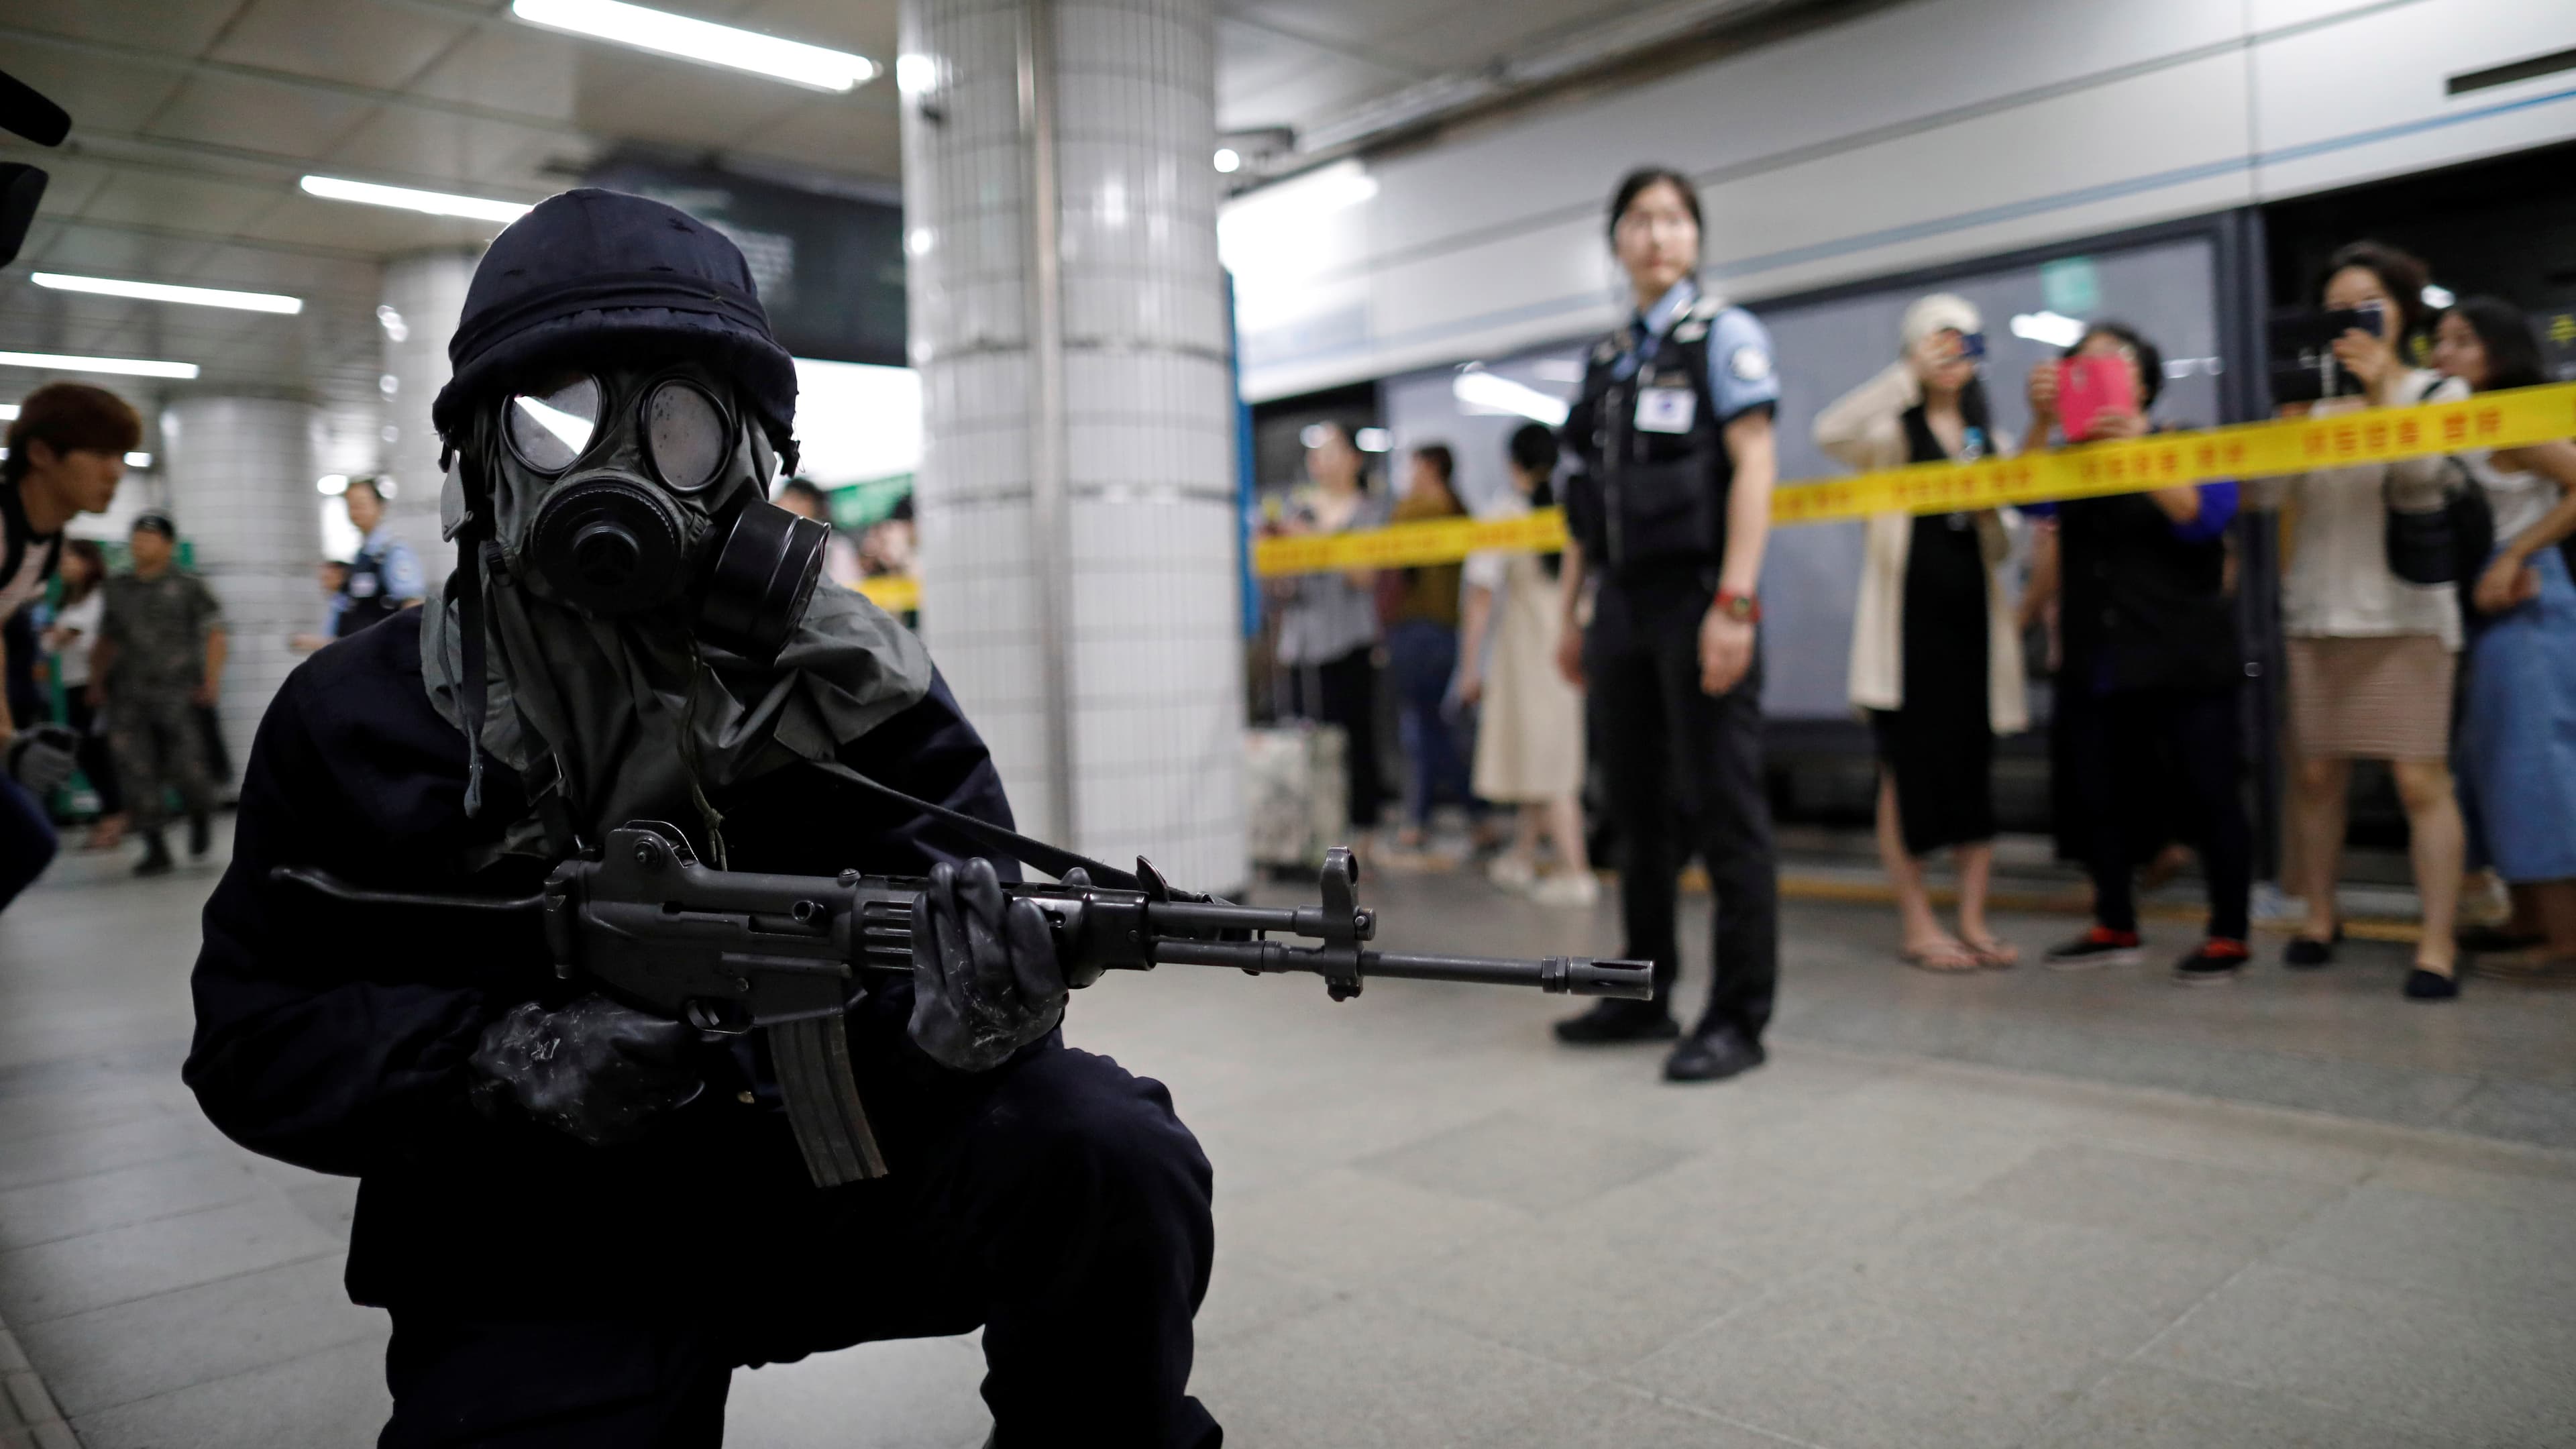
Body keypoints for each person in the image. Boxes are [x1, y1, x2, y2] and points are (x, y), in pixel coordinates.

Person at [180, 190, 1219, 1447]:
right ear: (478, 460)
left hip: (827, 1183)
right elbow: (253, 1035)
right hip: (536, 1235)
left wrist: (957, 1032)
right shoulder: (366, 716)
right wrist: (494, 1064)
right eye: (555, 421)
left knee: (1107, 1148)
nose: (614, 472)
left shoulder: (854, 681)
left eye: (676, 426)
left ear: (751, 461)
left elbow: (966, 931)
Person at [1553, 166, 1782, 1083]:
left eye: (1675, 219)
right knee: (1635, 814)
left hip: (1699, 594)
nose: (1658, 235)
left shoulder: (1723, 336)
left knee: (1726, 813)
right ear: (1617, 242)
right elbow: (1580, 503)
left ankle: (1739, 1018)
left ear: (1694, 238)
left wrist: (1737, 601)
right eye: (1640, 221)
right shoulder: (1607, 360)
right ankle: (1642, 995)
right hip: (1620, 605)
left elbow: (1756, 467)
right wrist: (1575, 611)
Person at [2251, 241, 2467, 991]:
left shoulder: (2439, 392)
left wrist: (2381, 398)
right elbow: (2265, 498)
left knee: (2420, 782)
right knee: (2314, 777)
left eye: (2365, 307)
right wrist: (2290, 421)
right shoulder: (2308, 402)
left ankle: (2436, 943)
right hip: (2319, 610)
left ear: (2401, 312)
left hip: (2407, 615)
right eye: (2335, 310)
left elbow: (2421, 481)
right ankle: (2319, 915)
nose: (2349, 321)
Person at [2019, 322, 2255, 982]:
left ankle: (2229, 930)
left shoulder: (2187, 442)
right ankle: (2113, 920)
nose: (2093, 373)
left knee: (2210, 794)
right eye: (2079, 366)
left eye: (2110, 363)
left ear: (2144, 379)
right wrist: (2041, 423)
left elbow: (2203, 517)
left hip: (2186, 658)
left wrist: (2137, 449)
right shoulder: (2070, 456)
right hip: (2100, 657)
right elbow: (2021, 493)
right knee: (2102, 796)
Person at [1814, 294, 2029, 972]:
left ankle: (1971, 918)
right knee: (1904, 776)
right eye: (1938, 342)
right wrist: (1905, 375)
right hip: (1906, 634)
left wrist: (1987, 505)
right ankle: (1918, 923)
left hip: (1972, 630)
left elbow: (2003, 548)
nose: (1951, 355)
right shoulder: (1889, 434)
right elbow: (1830, 430)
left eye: (1962, 342)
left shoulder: (1983, 439)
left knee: (1973, 777)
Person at [2430, 297, 2576, 987]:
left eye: (2462, 341)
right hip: (2486, 603)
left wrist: (2516, 553)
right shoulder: (2453, 423)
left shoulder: (2517, 417)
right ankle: (2525, 918)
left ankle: (2566, 936)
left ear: (2498, 350)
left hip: (2529, 599)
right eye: (2439, 341)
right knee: (2491, 763)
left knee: (2533, 765)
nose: (2444, 354)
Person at [1, 382, 139, 908]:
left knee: (27, 842)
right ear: (40, 455)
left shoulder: (46, 540)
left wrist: (8, 740)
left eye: (123, 456)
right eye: (102, 454)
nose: (117, 471)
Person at [1460, 423, 1595, 906]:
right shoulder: (1569, 514)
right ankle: (1520, 859)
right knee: (1544, 754)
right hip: (1568, 645)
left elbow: (1479, 600)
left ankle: (1576, 872)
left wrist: (1470, 667)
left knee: (1547, 764)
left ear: (1510, 462)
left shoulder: (1502, 515)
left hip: (1526, 654)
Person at [1271, 422, 1389, 853]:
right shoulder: (1294, 512)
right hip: (1302, 644)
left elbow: (1364, 577)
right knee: (1305, 740)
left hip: (1350, 640)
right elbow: (1280, 585)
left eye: (1332, 451)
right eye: (1316, 452)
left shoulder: (1370, 511)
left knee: (1357, 740)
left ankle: (1364, 834)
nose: (1321, 460)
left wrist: (1318, 540)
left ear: (1355, 459)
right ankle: (1308, 833)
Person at [93, 514, 226, 876]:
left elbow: (214, 634)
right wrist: (96, 681)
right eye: (136, 537)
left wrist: (211, 681)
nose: (141, 544)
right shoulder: (117, 588)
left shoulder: (188, 586)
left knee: (192, 772)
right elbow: (107, 640)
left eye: (150, 538)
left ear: (168, 545)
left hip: (179, 695)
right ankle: (156, 848)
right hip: (128, 696)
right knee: (136, 772)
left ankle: (200, 817)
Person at [1379, 443, 1481, 857]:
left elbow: (1391, 550)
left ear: (1432, 467)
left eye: (1415, 464)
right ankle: (1474, 812)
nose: (1409, 473)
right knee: (1437, 724)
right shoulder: (1460, 508)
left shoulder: (1415, 510)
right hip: (1447, 630)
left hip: (1417, 629)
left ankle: (1421, 819)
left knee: (1422, 727)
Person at [42, 539, 126, 849]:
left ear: (89, 563)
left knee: (96, 752)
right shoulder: (70, 600)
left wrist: (57, 636)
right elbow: (53, 641)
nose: (64, 565)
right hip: (74, 683)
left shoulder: (99, 596)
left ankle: (115, 815)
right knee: (87, 752)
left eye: (70, 559)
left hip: (94, 685)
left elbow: (71, 636)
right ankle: (113, 812)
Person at [326, 476, 425, 640]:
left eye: (361, 504)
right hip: (362, 653)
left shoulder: (393, 553)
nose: (355, 510)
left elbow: (413, 605)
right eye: (350, 505)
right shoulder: (361, 557)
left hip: (386, 654)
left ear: (380, 507)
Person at [775, 476, 866, 588]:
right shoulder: (776, 540)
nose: (782, 504)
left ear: (809, 503)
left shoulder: (834, 545)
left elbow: (849, 586)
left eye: (792, 499)